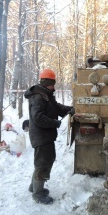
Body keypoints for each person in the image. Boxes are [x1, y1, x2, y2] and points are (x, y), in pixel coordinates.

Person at [24, 68, 74, 204]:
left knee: (45, 160)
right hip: (41, 136)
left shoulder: (46, 95)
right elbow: (38, 118)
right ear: (47, 83)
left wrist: (70, 109)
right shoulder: (39, 97)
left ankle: (34, 186)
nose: (54, 86)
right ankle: (38, 193)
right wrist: (54, 123)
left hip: (45, 136)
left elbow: (56, 108)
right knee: (43, 163)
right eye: (53, 83)